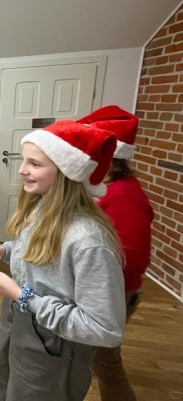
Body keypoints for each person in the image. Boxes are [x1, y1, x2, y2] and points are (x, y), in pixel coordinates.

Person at [0, 120, 126, 401]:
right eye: (24, 160)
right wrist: (6, 251)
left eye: (34, 164)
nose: (21, 170)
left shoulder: (89, 241)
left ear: (66, 172)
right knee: (2, 369)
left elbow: (104, 329)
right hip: (22, 319)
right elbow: (41, 252)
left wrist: (21, 296)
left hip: (52, 342)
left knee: (33, 392)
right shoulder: (42, 206)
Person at [77, 105, 153, 401]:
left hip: (112, 296)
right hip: (103, 292)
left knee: (107, 366)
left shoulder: (122, 195)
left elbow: (132, 261)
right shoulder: (103, 188)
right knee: (96, 360)